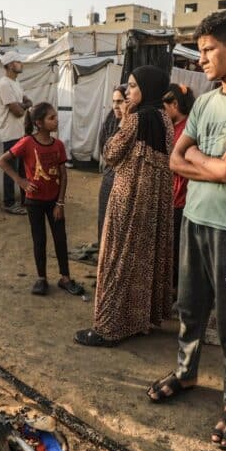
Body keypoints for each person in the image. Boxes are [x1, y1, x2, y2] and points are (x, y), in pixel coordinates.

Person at [145, 10, 226, 451]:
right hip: (195, 223)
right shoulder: (203, 102)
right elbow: (176, 160)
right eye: (199, 51)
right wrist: (214, 163)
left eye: (207, 50)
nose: (200, 59)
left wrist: (208, 162)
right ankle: (186, 374)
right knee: (189, 307)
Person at [74, 65, 174, 347]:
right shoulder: (163, 118)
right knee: (142, 260)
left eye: (132, 86)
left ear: (146, 88)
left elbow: (110, 153)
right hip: (154, 202)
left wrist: (123, 122)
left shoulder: (135, 119)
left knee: (117, 259)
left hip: (128, 197)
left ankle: (109, 327)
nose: (128, 91)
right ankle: (139, 320)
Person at [0, 102, 84, 297]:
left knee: (60, 239)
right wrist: (21, 181)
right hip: (34, 201)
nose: (56, 120)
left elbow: (63, 175)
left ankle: (65, 278)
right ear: (39, 123)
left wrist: (60, 203)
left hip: (54, 201)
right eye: (51, 118)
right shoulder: (27, 143)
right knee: (39, 240)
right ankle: (41, 278)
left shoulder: (58, 145)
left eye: (55, 117)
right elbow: (2, 161)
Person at [162, 83, 195, 293]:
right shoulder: (175, 128)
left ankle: (175, 292)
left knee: (175, 250)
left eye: (166, 108)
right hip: (171, 196)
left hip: (180, 198)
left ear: (174, 104)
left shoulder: (187, 131)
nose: (164, 114)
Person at [0, 51, 33, 215]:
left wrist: (22, 105)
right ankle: (9, 202)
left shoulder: (16, 83)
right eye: (18, 61)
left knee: (23, 169)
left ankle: (27, 199)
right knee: (10, 168)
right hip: (10, 133)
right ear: (11, 65)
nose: (21, 64)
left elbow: (27, 101)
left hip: (19, 133)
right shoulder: (4, 84)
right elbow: (18, 111)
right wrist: (22, 106)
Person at [96, 85, 126, 241]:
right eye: (113, 101)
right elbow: (105, 150)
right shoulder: (111, 119)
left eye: (120, 101)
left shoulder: (135, 123)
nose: (115, 106)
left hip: (126, 183)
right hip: (109, 178)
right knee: (104, 222)